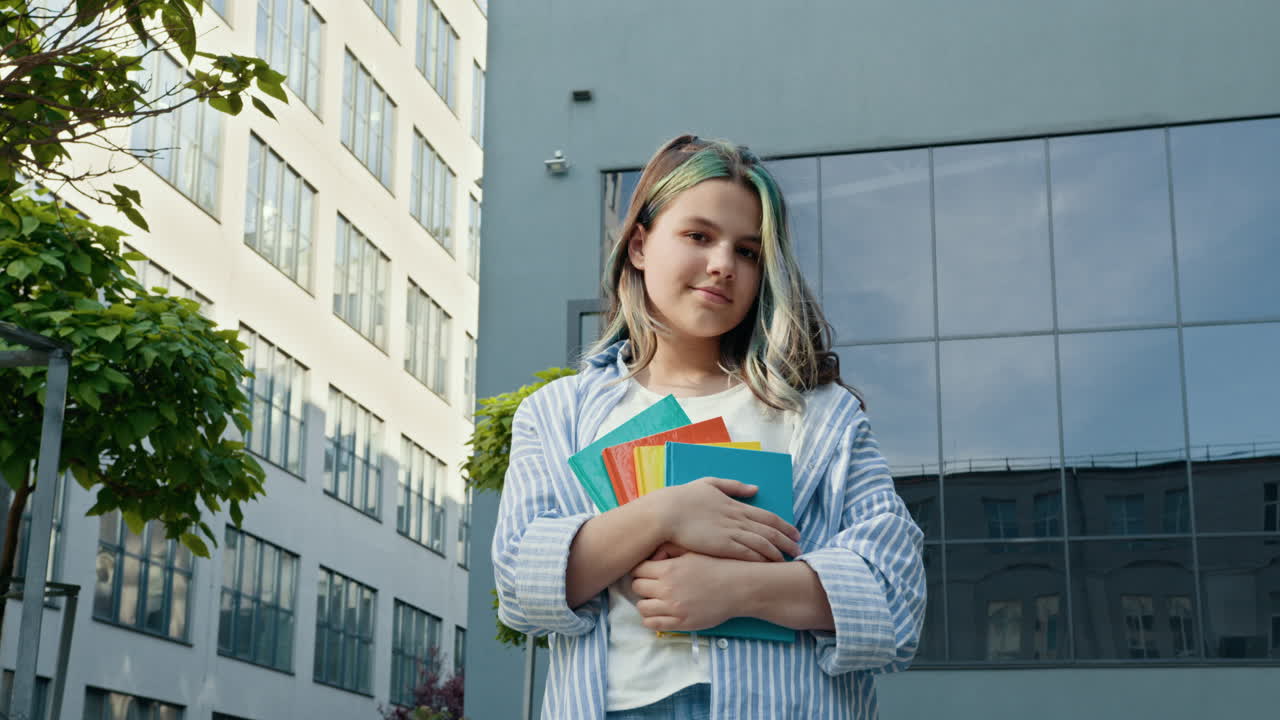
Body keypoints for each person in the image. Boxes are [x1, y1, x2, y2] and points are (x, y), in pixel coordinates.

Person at [492, 134, 926, 719]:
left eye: (747, 251)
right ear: (640, 246)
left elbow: (897, 601)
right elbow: (522, 589)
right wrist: (664, 515)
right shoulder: (556, 414)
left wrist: (740, 591)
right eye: (698, 236)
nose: (723, 264)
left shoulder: (821, 417)